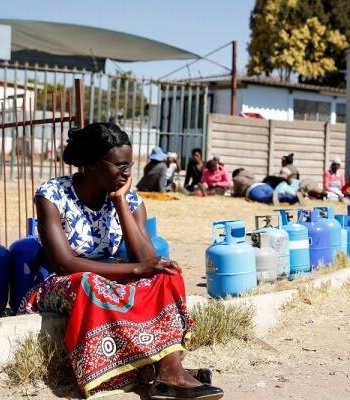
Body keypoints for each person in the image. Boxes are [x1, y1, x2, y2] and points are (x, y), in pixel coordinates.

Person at [20, 123, 224, 400]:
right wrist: (136, 269)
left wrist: (120, 202)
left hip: (112, 274)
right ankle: (136, 374)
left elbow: (148, 259)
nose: (126, 173)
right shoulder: (53, 195)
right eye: (119, 166)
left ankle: (169, 371)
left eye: (129, 165)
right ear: (92, 164)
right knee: (90, 282)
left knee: (168, 273)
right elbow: (64, 264)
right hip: (65, 283)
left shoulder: (130, 200)